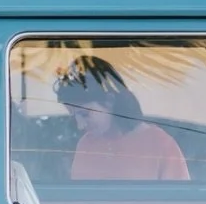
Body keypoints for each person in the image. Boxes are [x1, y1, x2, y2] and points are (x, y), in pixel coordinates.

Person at [58, 57, 191, 183]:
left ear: (109, 100)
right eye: (73, 116)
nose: (80, 125)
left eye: (85, 114)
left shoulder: (160, 144)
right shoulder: (85, 145)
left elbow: (181, 203)